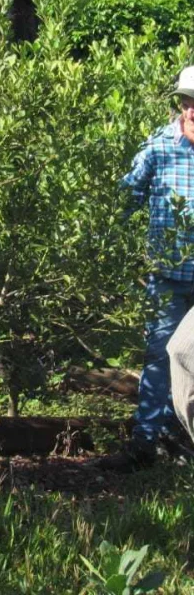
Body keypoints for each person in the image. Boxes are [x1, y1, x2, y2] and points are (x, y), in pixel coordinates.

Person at [101, 65, 194, 472]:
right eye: (188, 102)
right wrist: (101, 249)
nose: (192, 110)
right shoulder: (159, 146)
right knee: (160, 357)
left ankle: (181, 440)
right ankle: (146, 444)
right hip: (167, 278)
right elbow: (125, 200)